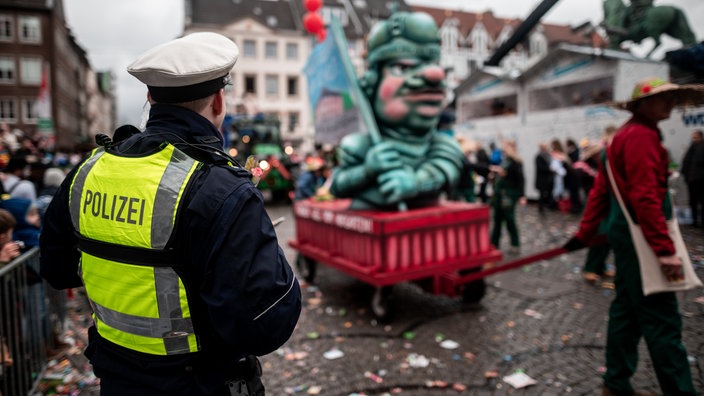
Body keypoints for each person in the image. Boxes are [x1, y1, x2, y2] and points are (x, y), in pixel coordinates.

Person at [39, 32, 301, 396]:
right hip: (201, 383)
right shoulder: (222, 189)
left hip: (117, 378)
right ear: (219, 100)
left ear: (149, 97)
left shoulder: (88, 172)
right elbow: (265, 324)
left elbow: (56, 270)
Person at [564, 77, 702, 396]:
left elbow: (601, 190)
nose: (669, 105)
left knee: (626, 311)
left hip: (628, 237)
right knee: (662, 319)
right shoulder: (640, 137)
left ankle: (615, 381)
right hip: (643, 240)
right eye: (662, 99)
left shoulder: (623, 136)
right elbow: (645, 197)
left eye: (671, 99)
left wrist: (584, 233)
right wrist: (664, 250)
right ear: (642, 104)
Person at [330, 11, 464, 210]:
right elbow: (338, 186)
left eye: (433, 65)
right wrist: (367, 171)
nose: (434, 75)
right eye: (403, 67)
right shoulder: (360, 146)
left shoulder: (442, 144)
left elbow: (445, 169)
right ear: (373, 84)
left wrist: (416, 183)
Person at [489, 139, 526, 255]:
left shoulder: (515, 162)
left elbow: (520, 179)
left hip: (509, 195)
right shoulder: (505, 160)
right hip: (499, 194)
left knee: (509, 219)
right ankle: (494, 244)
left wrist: (522, 195)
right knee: (497, 219)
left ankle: (515, 243)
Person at [680, 129, 704, 228]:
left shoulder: (701, 148)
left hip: (700, 180)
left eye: (695, 137)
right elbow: (686, 162)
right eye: (693, 137)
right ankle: (694, 221)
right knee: (693, 201)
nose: (693, 139)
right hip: (692, 180)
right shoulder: (692, 147)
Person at [534, 142, 555, 215]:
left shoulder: (547, 155)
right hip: (542, 179)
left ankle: (549, 205)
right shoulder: (539, 156)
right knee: (542, 194)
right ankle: (541, 207)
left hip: (546, 178)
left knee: (548, 193)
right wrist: (549, 169)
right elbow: (540, 167)